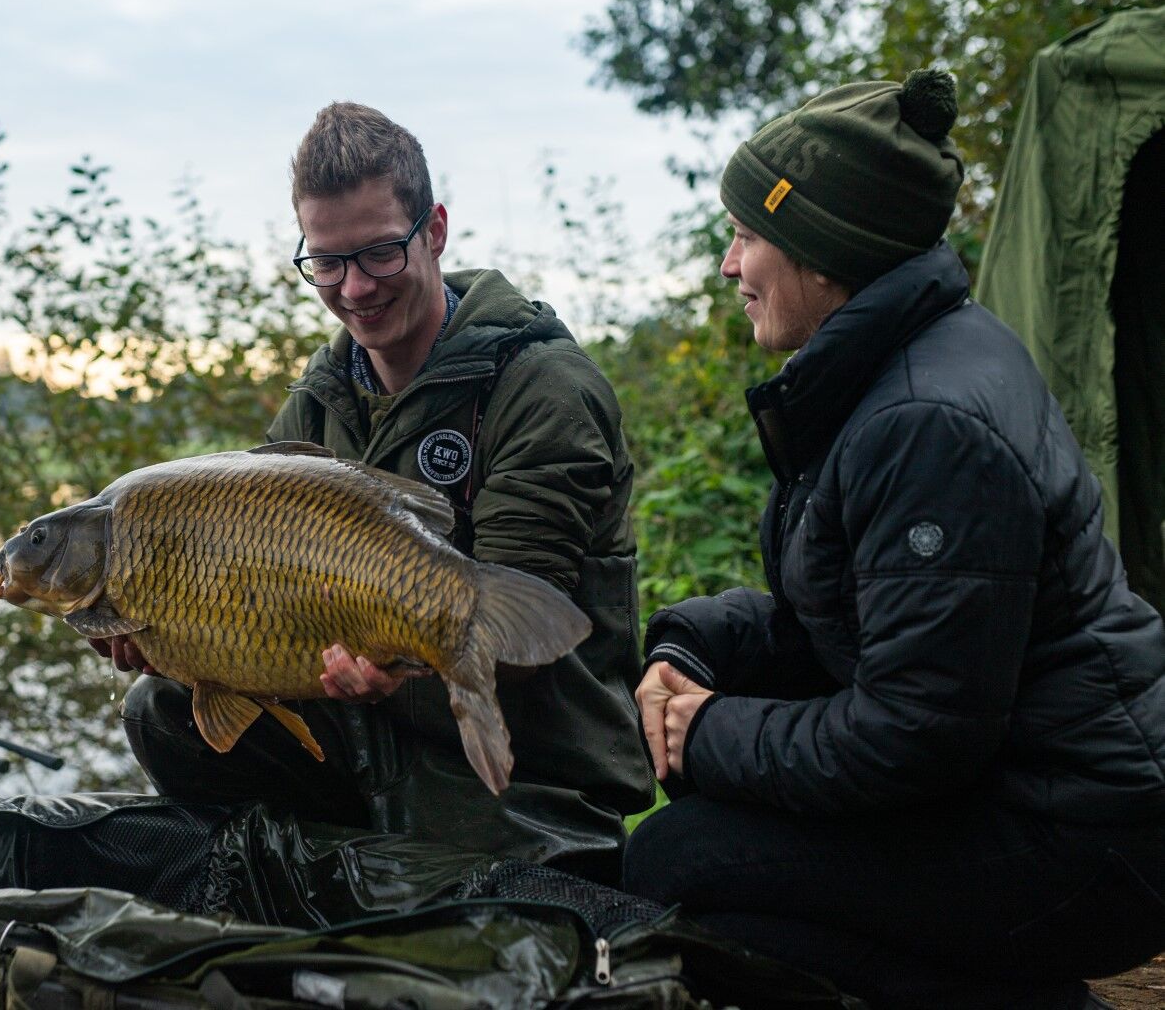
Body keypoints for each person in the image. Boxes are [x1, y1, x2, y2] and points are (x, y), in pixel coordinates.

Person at [622, 69, 1165, 1009]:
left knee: (681, 861)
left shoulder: (923, 420)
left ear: (825, 250)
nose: (728, 265)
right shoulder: (895, 367)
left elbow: (915, 735)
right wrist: (693, 647)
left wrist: (705, 730)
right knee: (699, 835)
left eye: (747, 235)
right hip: (1034, 790)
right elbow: (852, 615)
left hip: (1089, 835)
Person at [107, 101, 653, 884]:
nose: (355, 288)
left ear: (435, 231)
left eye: (379, 254)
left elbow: (513, 649)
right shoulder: (320, 400)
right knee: (161, 710)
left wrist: (395, 665)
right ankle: (305, 885)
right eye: (327, 263)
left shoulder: (544, 390)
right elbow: (255, 603)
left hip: (529, 776)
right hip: (367, 742)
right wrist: (176, 636)